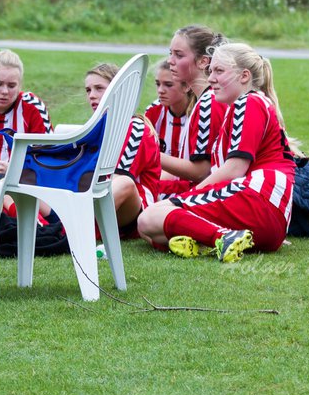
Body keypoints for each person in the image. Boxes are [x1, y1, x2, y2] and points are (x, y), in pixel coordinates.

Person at [137, 43, 296, 262]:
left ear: (244, 76)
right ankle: (209, 241)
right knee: (148, 227)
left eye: (219, 71)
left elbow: (234, 169)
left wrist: (185, 199)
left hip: (258, 198)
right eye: (211, 71)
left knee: (149, 218)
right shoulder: (245, 105)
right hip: (269, 216)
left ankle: (224, 237)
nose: (211, 78)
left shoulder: (249, 101)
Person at [84, 63, 161, 233]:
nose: (92, 95)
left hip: (133, 211)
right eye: (88, 90)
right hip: (96, 200)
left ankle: (71, 230)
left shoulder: (136, 128)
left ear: (119, 90)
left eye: (99, 88)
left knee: (123, 183)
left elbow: (118, 180)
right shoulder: (96, 127)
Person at [158, 24, 228, 185]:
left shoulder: (209, 103)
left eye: (179, 55)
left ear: (203, 61)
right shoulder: (205, 100)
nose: (170, 61)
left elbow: (200, 172)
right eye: (170, 53)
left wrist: (148, 152)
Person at [0, 49, 53, 163]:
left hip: (22, 176)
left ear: (20, 86)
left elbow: (47, 152)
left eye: (11, 86)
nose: (5, 91)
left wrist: (14, 170)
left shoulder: (33, 106)